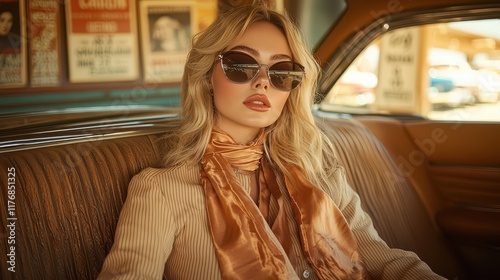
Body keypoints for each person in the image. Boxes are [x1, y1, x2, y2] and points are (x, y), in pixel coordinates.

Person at [99, 3, 446, 279]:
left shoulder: (319, 173)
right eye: (241, 65)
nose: (263, 82)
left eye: (281, 72)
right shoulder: (162, 191)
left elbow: (380, 256)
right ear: (207, 76)